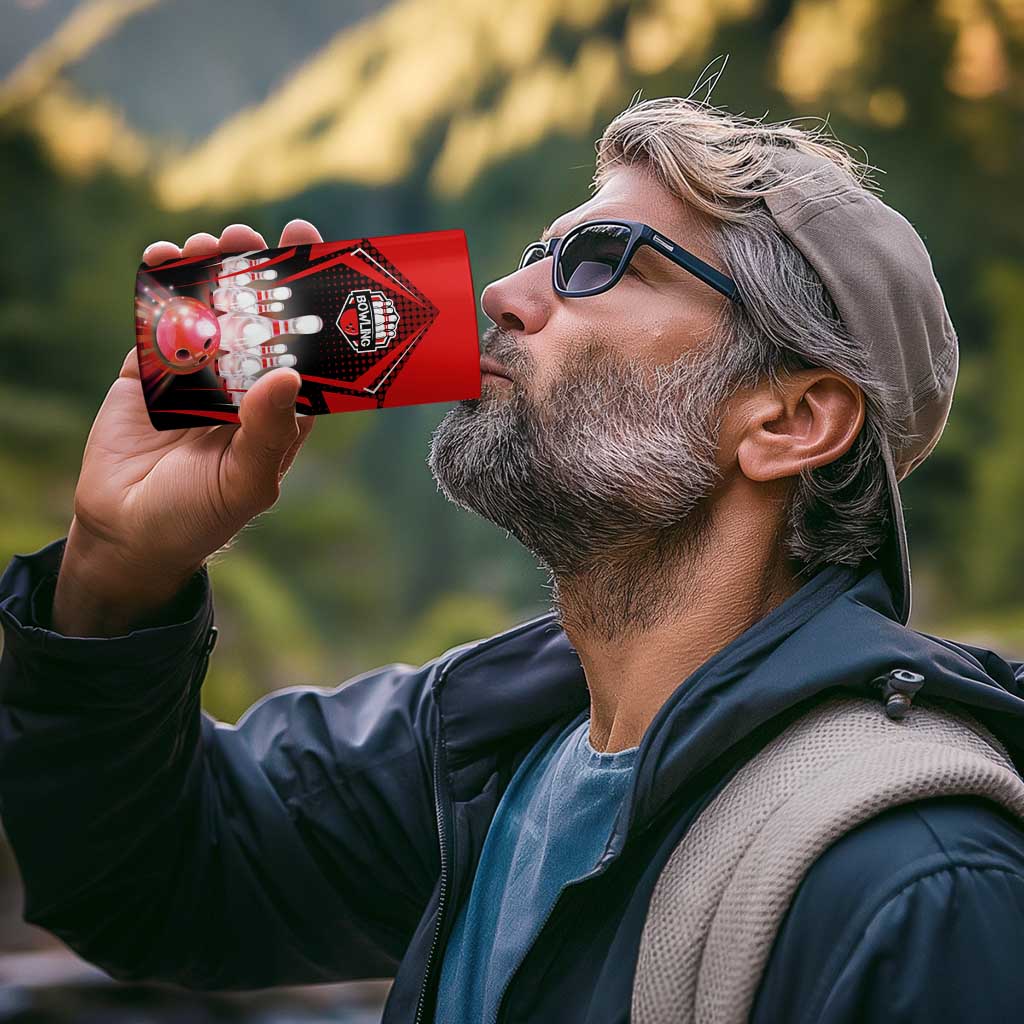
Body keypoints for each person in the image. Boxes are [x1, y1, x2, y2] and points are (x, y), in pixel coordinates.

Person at [2, 95, 1024, 1024]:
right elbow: (149, 879)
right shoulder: (479, 749)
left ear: (791, 420)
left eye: (599, 261)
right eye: (540, 252)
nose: (501, 292)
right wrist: (115, 570)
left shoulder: (918, 884)